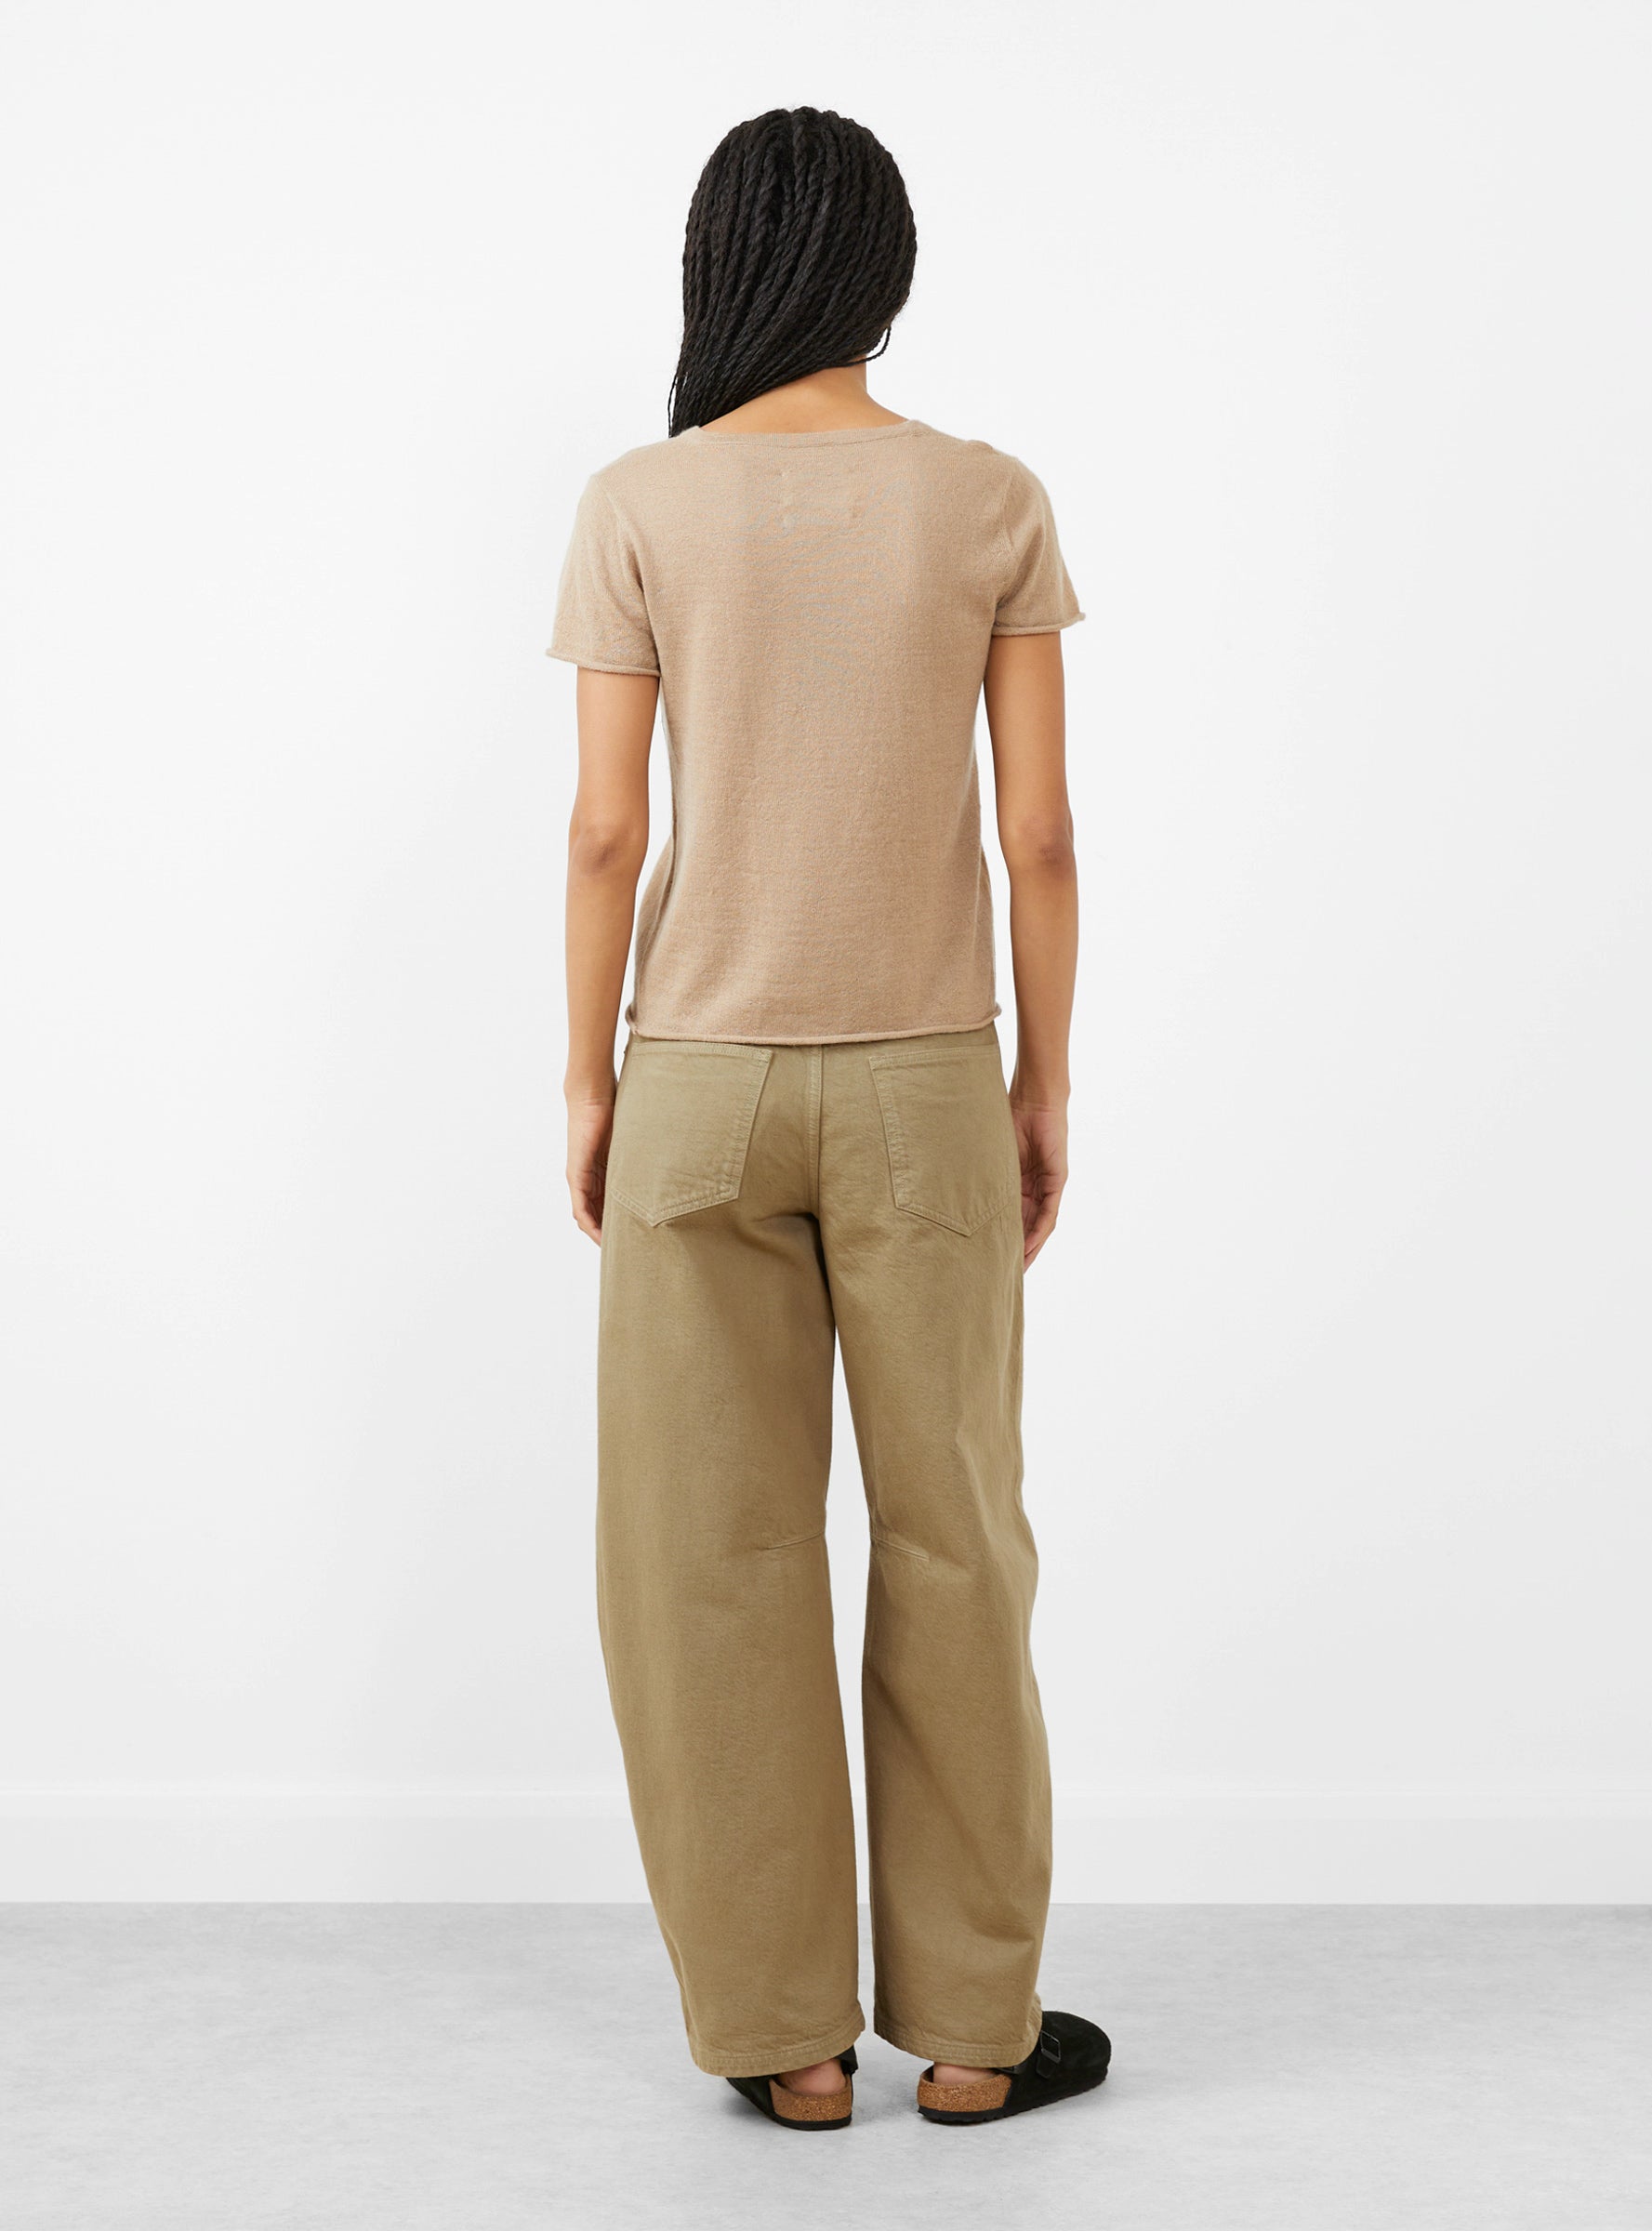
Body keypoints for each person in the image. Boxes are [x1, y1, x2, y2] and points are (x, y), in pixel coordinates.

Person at [549, 106, 1110, 2132]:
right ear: (886, 272)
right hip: (924, 1082)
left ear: (721, 265)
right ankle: (971, 2032)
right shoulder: (986, 498)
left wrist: (591, 1077)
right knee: (957, 1541)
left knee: (704, 1556)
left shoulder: (641, 502)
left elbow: (605, 829)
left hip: (696, 1082)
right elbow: (1036, 837)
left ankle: (782, 2039)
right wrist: (1040, 1080)